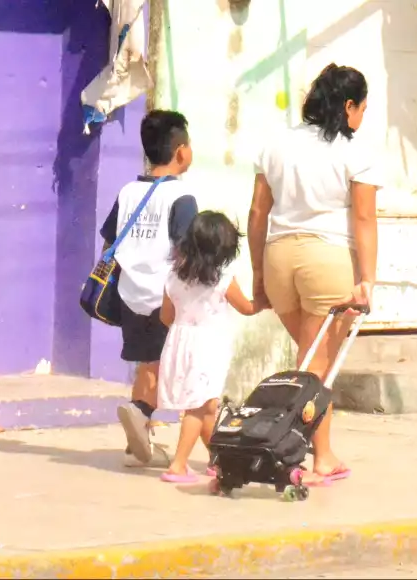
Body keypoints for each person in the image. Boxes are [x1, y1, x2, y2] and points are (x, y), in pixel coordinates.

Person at [247, 63, 382, 485]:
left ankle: (317, 450)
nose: (362, 116)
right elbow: (364, 219)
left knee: (309, 364)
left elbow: (257, 212)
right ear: (348, 106)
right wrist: (367, 279)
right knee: (314, 369)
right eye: (361, 107)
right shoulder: (354, 150)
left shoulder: (277, 142)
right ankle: (311, 454)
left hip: (278, 259)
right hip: (326, 261)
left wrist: (257, 273)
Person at [99, 109, 198, 468]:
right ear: (181, 151)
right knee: (166, 368)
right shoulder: (182, 197)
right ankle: (140, 411)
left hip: (129, 293)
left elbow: (110, 238)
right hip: (164, 296)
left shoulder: (128, 191)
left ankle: (137, 440)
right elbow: (188, 252)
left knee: (148, 364)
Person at [156, 211, 266, 483]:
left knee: (207, 405)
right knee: (198, 405)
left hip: (180, 343)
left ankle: (217, 459)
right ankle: (178, 465)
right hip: (209, 346)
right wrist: (264, 299)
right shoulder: (223, 279)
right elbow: (247, 308)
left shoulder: (173, 277)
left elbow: (165, 318)